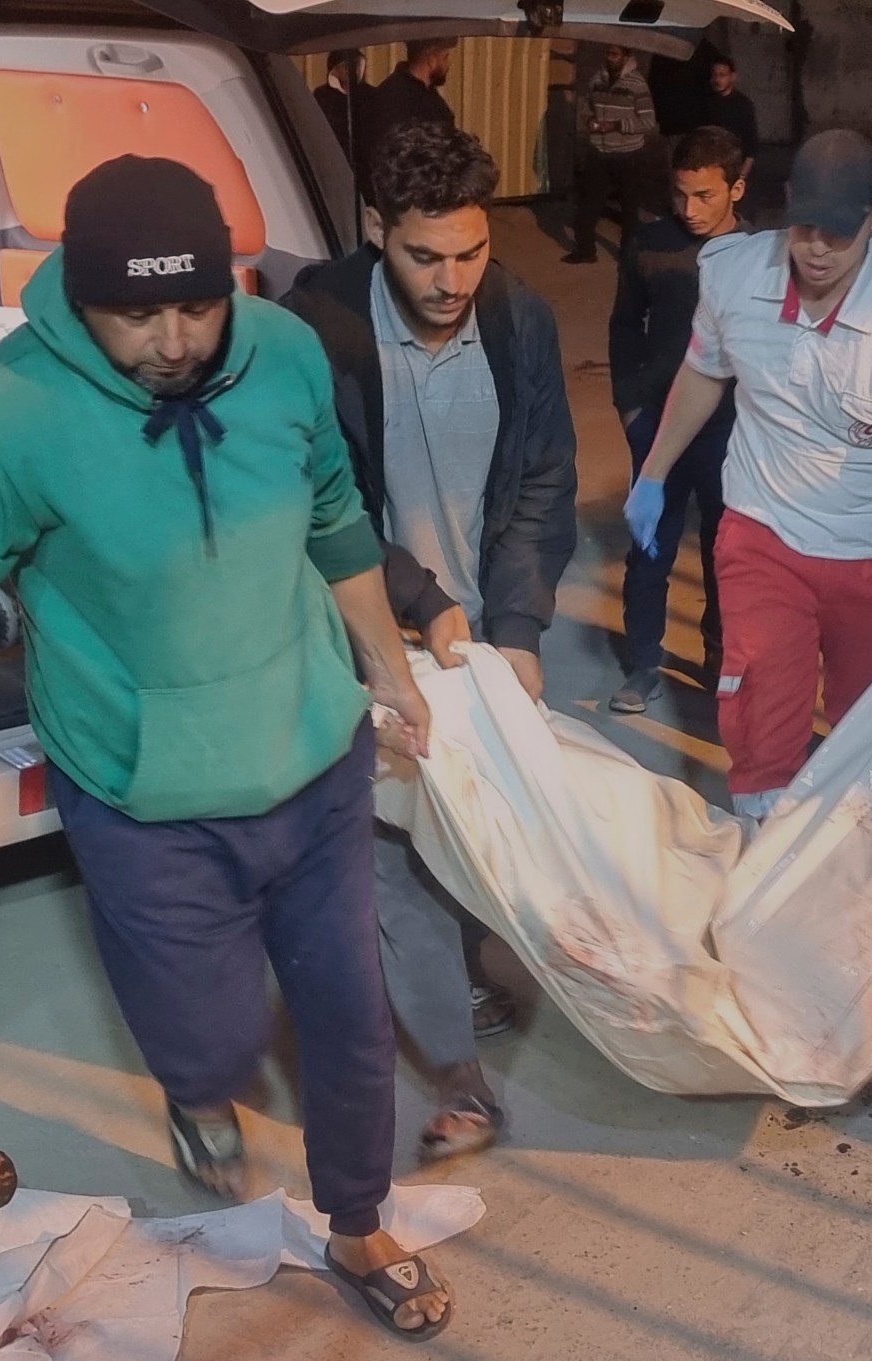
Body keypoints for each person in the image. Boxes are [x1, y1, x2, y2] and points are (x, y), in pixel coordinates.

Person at [0, 157, 452, 1336]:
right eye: (136, 314)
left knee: (350, 1014)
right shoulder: (5, 419)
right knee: (212, 1035)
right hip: (142, 794)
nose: (173, 340)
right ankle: (196, 1090)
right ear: (76, 292)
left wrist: (388, 663)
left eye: (198, 304)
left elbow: (329, 510)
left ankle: (359, 1220)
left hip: (312, 754)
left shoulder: (282, 351)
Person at [284, 122, 579, 1165]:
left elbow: (541, 477)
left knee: (492, 829)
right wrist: (407, 614)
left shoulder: (519, 317)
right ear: (376, 229)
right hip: (363, 635)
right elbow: (309, 504)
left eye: (470, 251)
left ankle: (475, 965)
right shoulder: (312, 331)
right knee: (395, 856)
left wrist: (518, 627)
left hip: (479, 640)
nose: (452, 280)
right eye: (423, 256)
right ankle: (460, 1081)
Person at [632, 130, 872, 821]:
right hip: (762, 531)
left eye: (838, 234)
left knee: (864, 733)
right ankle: (762, 863)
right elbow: (704, 372)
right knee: (761, 718)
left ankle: (841, 876)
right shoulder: (732, 273)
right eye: (805, 228)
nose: (817, 249)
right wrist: (653, 473)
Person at [608, 126, 749, 714]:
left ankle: (720, 662)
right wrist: (630, 407)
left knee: (728, 552)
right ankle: (644, 662)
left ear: (737, 188)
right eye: (680, 195)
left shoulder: (762, 255)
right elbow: (623, 325)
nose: (689, 211)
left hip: (733, 430)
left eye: (705, 196)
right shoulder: (648, 243)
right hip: (659, 427)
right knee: (650, 548)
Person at [567, 45, 662, 263]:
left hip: (629, 154)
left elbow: (647, 121)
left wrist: (616, 125)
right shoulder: (597, 79)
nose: (610, 58)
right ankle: (585, 251)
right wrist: (590, 120)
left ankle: (628, 253)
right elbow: (586, 107)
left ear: (626, 57)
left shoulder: (637, 84)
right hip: (599, 152)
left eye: (615, 55)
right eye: (607, 53)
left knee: (629, 207)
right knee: (589, 203)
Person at [362, 37, 457, 182]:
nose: (448, 63)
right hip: (412, 191)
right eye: (445, 57)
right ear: (431, 60)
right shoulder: (395, 98)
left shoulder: (426, 93)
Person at [315, 48, 370, 184]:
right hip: (333, 170)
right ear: (335, 70)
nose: (353, 71)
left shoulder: (370, 95)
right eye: (347, 66)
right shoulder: (321, 97)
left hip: (365, 172)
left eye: (356, 65)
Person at [701, 56, 760, 159]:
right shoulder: (708, 102)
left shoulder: (743, 105)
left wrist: (742, 174)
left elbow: (751, 144)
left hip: (734, 160)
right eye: (714, 75)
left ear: (732, 77)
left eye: (722, 75)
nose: (717, 79)